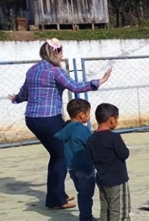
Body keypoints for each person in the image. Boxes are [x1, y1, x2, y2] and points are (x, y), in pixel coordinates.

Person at [9, 39, 112, 210]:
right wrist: (99, 82)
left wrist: (15, 99)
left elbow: (24, 93)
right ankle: (55, 199)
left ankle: (58, 194)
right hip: (49, 118)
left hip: (32, 119)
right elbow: (75, 87)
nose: (62, 55)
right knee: (61, 155)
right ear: (55, 53)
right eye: (61, 52)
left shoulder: (33, 70)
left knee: (56, 154)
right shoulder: (55, 71)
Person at [86, 103, 137, 221]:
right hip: (117, 179)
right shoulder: (114, 138)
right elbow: (124, 154)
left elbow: (89, 156)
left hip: (102, 178)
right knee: (120, 208)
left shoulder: (91, 139)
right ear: (112, 120)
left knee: (106, 208)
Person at [54, 98, 99, 221]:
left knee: (82, 192)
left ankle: (86, 216)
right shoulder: (81, 129)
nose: (89, 116)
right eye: (88, 113)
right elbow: (90, 146)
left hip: (72, 168)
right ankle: (86, 219)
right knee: (86, 194)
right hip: (85, 167)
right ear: (82, 114)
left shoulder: (67, 128)